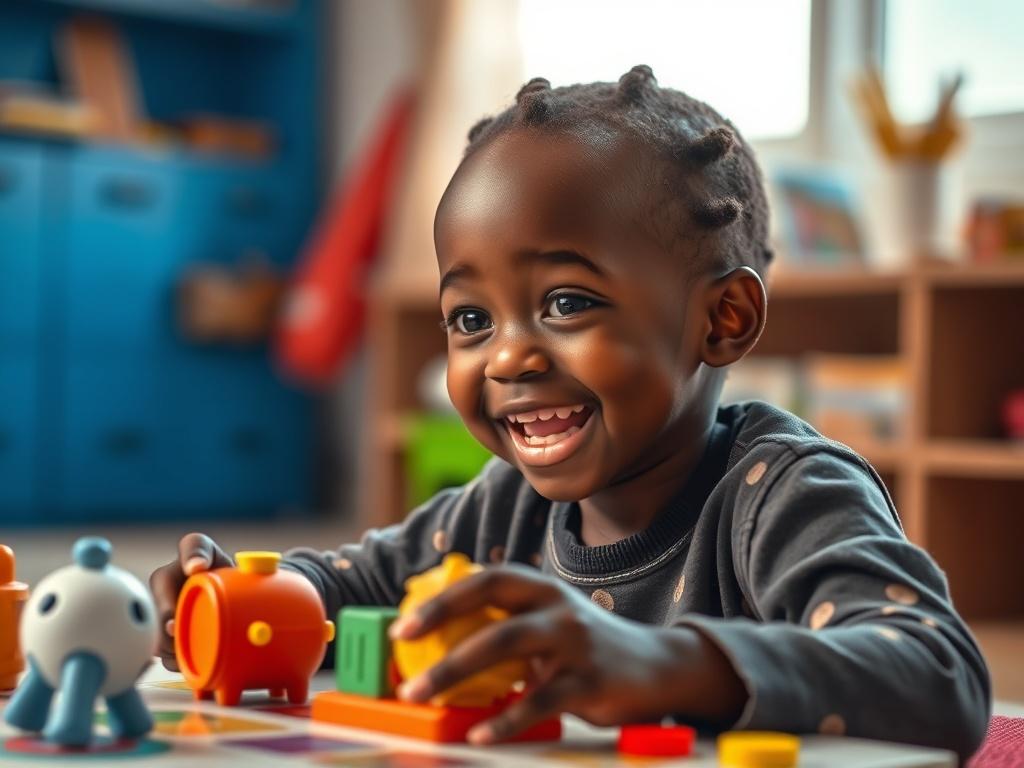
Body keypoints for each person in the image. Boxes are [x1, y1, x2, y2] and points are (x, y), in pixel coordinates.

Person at [150, 65, 990, 760]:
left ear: (723, 319)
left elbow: (936, 673)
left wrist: (664, 663)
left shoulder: (784, 490)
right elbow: (354, 590)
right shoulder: (502, 507)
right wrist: (255, 603)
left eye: (566, 302)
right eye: (470, 320)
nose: (508, 356)